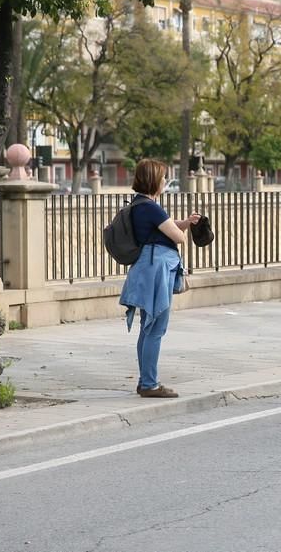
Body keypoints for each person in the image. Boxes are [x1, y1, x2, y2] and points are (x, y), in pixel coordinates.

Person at [119, 159, 200, 397]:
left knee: (148, 326)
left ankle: (146, 380)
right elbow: (178, 237)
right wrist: (182, 229)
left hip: (146, 268)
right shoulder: (152, 208)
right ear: (154, 179)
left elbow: (161, 229)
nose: (165, 181)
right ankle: (149, 384)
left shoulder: (139, 205)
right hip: (156, 270)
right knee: (156, 327)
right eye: (163, 177)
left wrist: (184, 223)